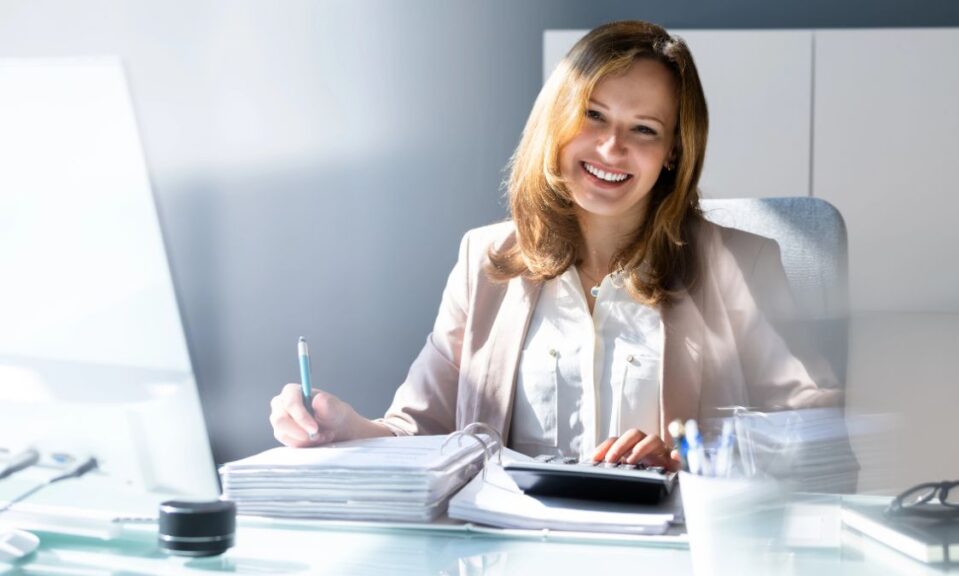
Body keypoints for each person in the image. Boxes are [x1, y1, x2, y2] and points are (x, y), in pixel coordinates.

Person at [269, 20, 840, 472]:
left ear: (672, 152)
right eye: (593, 116)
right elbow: (418, 430)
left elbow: (822, 438)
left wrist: (693, 458)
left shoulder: (739, 264)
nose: (612, 146)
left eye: (645, 128)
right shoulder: (484, 261)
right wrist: (344, 428)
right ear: (558, 123)